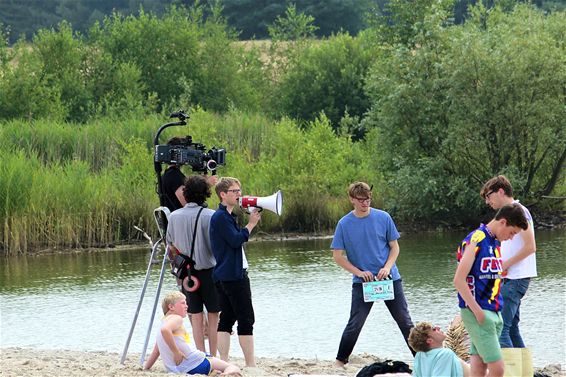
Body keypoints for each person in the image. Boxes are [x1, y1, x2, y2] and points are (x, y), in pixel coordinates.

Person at [331, 181, 415, 367]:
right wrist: (359, 273)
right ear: (352, 199)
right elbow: (337, 257)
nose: (365, 203)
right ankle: (339, 361)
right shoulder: (344, 224)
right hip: (363, 282)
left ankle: (422, 358)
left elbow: (395, 247)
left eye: (368, 199)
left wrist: (387, 267)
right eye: (361, 200)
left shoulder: (383, 217)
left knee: (405, 321)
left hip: (389, 278)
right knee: (355, 323)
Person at [453, 203, 528, 377]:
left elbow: (485, 274)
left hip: (494, 310)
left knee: (478, 368)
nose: (510, 238)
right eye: (512, 233)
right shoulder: (477, 239)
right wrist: (477, 311)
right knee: (498, 368)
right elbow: (458, 280)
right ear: (503, 222)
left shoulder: (495, 243)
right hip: (479, 311)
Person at [209, 177, 261, 367]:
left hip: (224, 274)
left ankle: (224, 361)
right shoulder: (221, 217)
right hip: (233, 275)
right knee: (246, 318)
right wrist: (251, 224)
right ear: (223, 194)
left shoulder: (225, 216)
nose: (239, 195)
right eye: (235, 191)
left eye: (239, 191)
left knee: (228, 318)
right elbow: (235, 240)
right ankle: (250, 364)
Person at [480, 175, 537, 349]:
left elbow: (530, 246)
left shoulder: (519, 211)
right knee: (511, 330)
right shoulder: (510, 213)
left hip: (516, 278)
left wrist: (504, 265)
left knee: (501, 330)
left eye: (488, 196)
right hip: (511, 278)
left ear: (501, 191)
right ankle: (525, 372)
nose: (487, 201)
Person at [166, 175, 219, 356]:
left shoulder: (174, 217)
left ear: (186, 193)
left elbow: (171, 245)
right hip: (209, 271)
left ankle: (201, 354)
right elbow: (216, 247)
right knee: (213, 316)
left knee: (195, 317)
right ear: (205, 194)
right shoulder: (211, 216)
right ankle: (213, 354)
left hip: (187, 274)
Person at [144, 291, 241, 376]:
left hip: (175, 369)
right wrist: (176, 352)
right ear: (171, 307)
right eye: (183, 303)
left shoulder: (163, 322)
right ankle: (226, 374)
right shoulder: (176, 318)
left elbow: (156, 351)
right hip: (194, 364)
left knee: (209, 359)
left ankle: (214, 371)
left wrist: (146, 368)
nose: (186, 306)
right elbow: (165, 330)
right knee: (232, 367)